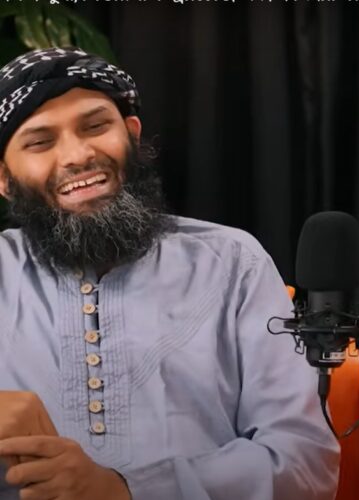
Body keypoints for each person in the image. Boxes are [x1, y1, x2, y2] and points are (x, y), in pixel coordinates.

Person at [0, 47, 339, 499]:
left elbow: (306, 462)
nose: (77, 155)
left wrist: (125, 490)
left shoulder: (232, 263)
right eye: (40, 142)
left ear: (131, 135)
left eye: (95, 126)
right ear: (4, 179)